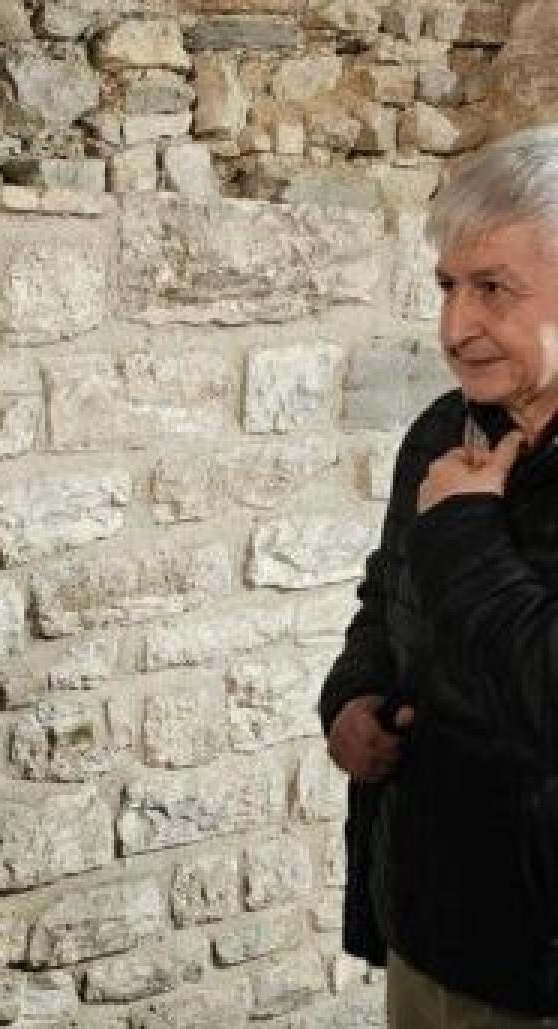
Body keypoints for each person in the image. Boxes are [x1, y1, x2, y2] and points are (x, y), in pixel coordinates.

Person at [320, 124, 558, 1026]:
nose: (455, 327)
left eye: (493, 288)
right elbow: (388, 599)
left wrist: (462, 523)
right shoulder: (443, 427)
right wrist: (351, 697)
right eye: (449, 287)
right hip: (428, 919)